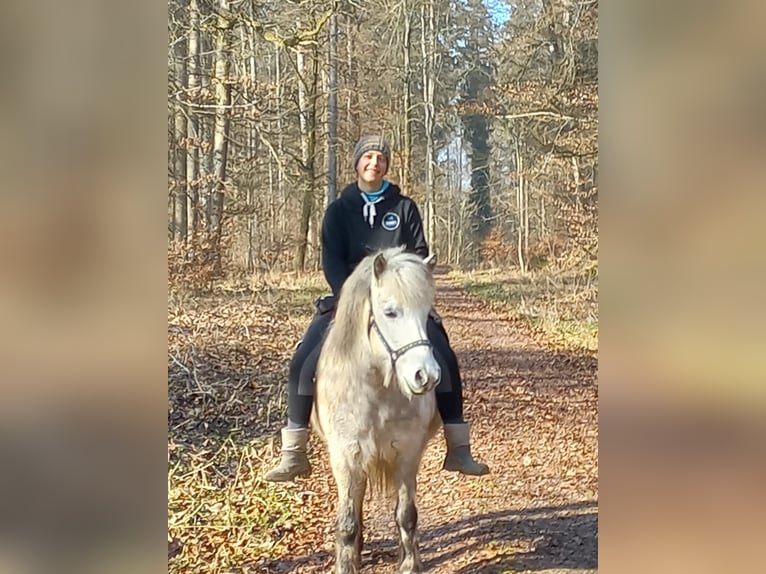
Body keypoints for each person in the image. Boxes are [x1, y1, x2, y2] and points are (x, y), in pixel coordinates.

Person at [265, 135, 489, 481]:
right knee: (303, 360)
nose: (374, 163)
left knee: (443, 354)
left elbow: (417, 253)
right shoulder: (338, 212)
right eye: (368, 157)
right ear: (357, 163)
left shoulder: (404, 208)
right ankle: (294, 449)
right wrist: (350, 298)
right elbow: (332, 261)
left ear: (387, 165)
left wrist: (407, 291)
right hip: (348, 303)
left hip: (400, 303)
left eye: (381, 158)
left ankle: (458, 446)